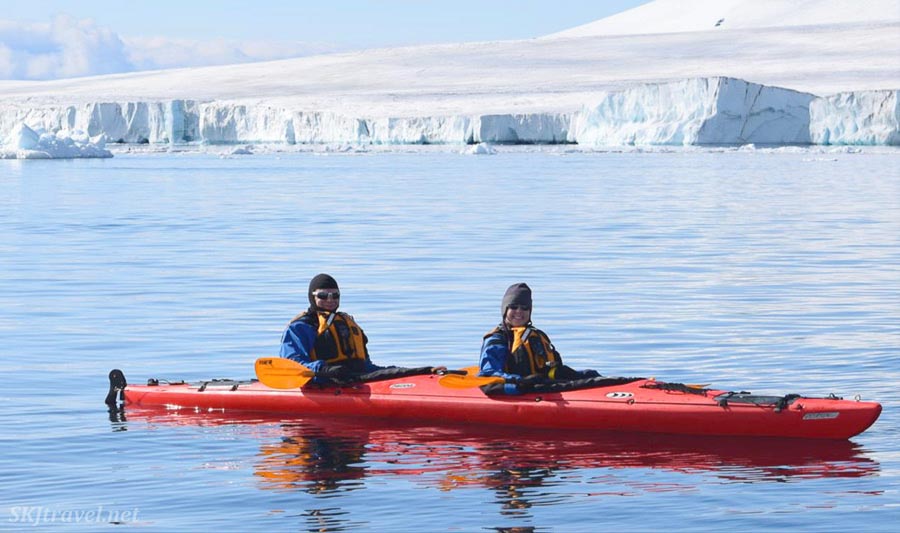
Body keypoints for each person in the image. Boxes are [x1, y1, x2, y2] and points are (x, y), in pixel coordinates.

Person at [479, 283, 599, 387]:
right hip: (517, 389)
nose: (519, 312)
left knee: (590, 375)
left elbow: (552, 366)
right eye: (514, 307)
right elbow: (489, 373)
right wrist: (520, 381)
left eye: (524, 308)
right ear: (505, 310)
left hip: (542, 386)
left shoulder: (536, 336)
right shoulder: (497, 339)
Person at [280, 273, 382, 381]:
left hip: (356, 379)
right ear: (312, 297)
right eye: (323, 295)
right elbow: (292, 365)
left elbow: (366, 366)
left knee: (397, 372)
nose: (330, 300)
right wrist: (324, 370)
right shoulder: (300, 328)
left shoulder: (347, 323)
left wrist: (390, 372)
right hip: (322, 383)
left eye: (335, 295)